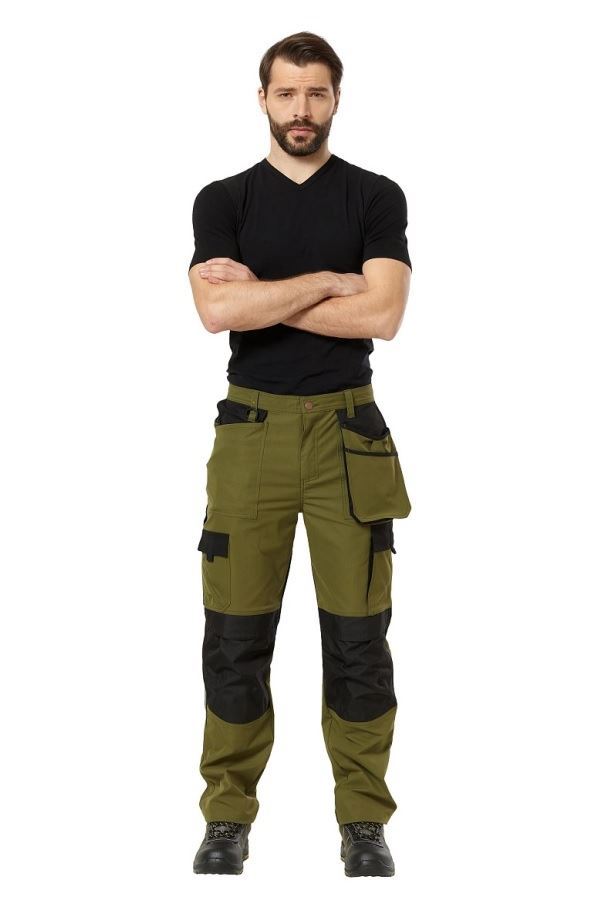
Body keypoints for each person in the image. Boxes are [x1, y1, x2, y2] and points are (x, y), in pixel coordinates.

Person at [188, 31, 413, 878]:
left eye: (316, 92)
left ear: (336, 99)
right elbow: (217, 314)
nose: (301, 109)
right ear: (262, 99)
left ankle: (363, 820)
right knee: (235, 633)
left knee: (359, 637)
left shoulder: (374, 196)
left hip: (349, 438)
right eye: (286, 93)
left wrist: (263, 294)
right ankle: (226, 814)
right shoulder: (222, 200)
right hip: (250, 432)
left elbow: (382, 315)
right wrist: (327, 280)